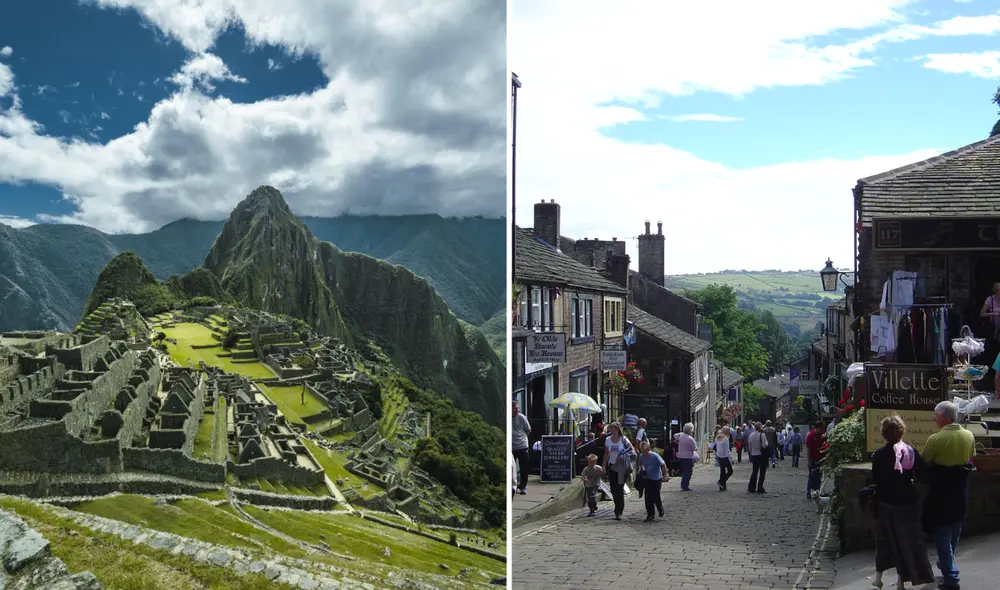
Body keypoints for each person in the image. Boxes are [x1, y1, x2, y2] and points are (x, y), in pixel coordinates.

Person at [871, 415, 935, 590]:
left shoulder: (879, 455)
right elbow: (924, 476)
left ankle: (879, 579)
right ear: (902, 432)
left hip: (885, 503)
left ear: (884, 434)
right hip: (907, 503)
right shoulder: (910, 451)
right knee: (905, 543)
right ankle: (901, 583)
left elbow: (876, 480)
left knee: (886, 543)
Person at [920, 401, 975, 590]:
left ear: (943, 417)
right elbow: (971, 458)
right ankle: (946, 566)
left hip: (941, 492)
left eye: (936, 416)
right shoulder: (969, 435)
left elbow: (924, 462)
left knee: (943, 536)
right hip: (960, 490)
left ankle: (952, 578)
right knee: (954, 533)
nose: (935, 419)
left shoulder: (935, 439)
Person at [602, 422, 635, 521]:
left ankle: (618, 511)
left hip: (621, 467)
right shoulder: (608, 440)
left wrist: (623, 455)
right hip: (612, 466)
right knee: (613, 488)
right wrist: (604, 466)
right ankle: (617, 507)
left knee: (619, 488)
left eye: (612, 428)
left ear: (616, 429)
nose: (610, 430)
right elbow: (606, 453)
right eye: (610, 428)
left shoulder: (624, 439)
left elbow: (632, 450)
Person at [637, 441, 668, 521]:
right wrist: (641, 472)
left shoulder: (655, 456)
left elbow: (663, 465)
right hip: (648, 478)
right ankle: (650, 514)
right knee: (648, 497)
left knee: (656, 496)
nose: (644, 453)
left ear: (648, 449)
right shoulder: (641, 456)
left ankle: (660, 509)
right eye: (642, 451)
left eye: (645, 451)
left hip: (657, 479)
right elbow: (641, 466)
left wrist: (665, 475)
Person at [512, 401, 531, 495]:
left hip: (522, 446)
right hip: (512, 447)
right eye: (515, 408)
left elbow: (528, 430)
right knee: (511, 468)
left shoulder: (522, 417)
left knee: (524, 468)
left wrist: (522, 439)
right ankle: (513, 486)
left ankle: (523, 487)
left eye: (518, 408)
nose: (517, 410)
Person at [673, 422, 698, 492]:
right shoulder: (690, 439)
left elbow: (674, 435)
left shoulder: (680, 435)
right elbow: (695, 448)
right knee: (688, 472)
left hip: (681, 456)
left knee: (684, 471)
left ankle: (684, 485)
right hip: (688, 457)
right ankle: (685, 486)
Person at [746, 422, 770, 494]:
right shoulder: (762, 435)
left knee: (754, 471)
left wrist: (751, 452)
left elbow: (749, 447)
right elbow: (764, 445)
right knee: (762, 472)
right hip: (761, 455)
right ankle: (760, 487)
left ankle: (751, 487)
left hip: (754, 455)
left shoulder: (751, 435)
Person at [715, 426, 734, 491]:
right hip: (725, 457)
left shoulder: (717, 438)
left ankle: (722, 486)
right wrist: (730, 458)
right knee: (730, 471)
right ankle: (721, 481)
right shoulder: (726, 439)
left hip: (719, 456)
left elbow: (717, 448)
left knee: (722, 471)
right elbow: (727, 450)